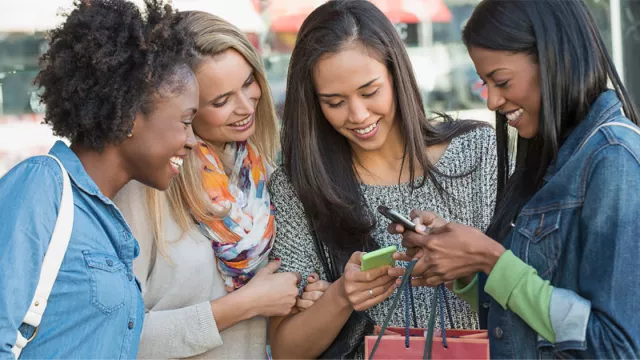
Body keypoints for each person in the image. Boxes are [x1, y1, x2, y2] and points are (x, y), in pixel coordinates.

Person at [391, 0, 640, 358]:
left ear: (554, 57)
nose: (491, 100)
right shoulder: (551, 154)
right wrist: (465, 264)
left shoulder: (615, 159)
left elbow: (617, 348)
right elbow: (526, 316)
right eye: (484, 82)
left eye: (501, 80)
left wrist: (490, 258)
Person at [266, 1, 498, 358]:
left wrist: (465, 261)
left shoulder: (478, 152)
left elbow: (527, 289)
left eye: (370, 91)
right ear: (312, 102)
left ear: (396, 74)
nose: (358, 115)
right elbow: (285, 351)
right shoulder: (299, 188)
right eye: (334, 102)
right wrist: (343, 295)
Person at [114, 11, 328, 359]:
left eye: (248, 83)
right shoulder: (144, 190)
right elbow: (116, 336)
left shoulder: (266, 176)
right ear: (184, 107)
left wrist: (302, 296)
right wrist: (245, 304)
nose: (246, 107)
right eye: (221, 101)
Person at [0, 0, 199, 358]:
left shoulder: (109, 225)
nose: (192, 140)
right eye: (185, 122)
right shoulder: (42, 186)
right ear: (129, 117)